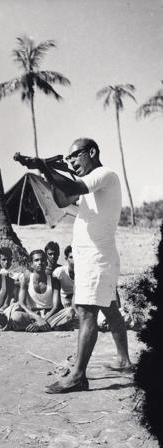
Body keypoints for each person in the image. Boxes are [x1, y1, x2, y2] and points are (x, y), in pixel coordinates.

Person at [31, 137, 132, 393]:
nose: (72, 162)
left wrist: (47, 168)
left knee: (86, 311)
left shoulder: (103, 174)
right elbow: (63, 200)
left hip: (98, 258)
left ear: (92, 152)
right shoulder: (91, 183)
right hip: (96, 259)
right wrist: (49, 172)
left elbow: (74, 187)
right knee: (110, 309)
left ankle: (78, 375)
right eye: (69, 159)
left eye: (75, 156)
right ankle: (123, 360)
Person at [9, 250, 61, 332]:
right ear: (31, 264)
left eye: (43, 260)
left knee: (69, 312)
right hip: (32, 315)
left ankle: (36, 326)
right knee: (16, 316)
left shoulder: (54, 281)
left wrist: (42, 320)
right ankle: (47, 326)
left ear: (46, 263)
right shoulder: (26, 279)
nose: (40, 263)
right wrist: (37, 318)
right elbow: (21, 303)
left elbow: (55, 306)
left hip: (49, 314)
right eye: (36, 260)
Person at [50, 245, 78, 331]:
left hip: (79, 302)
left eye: (77, 257)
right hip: (64, 302)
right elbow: (54, 292)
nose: (74, 260)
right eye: (71, 257)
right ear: (66, 258)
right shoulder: (60, 272)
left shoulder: (84, 273)